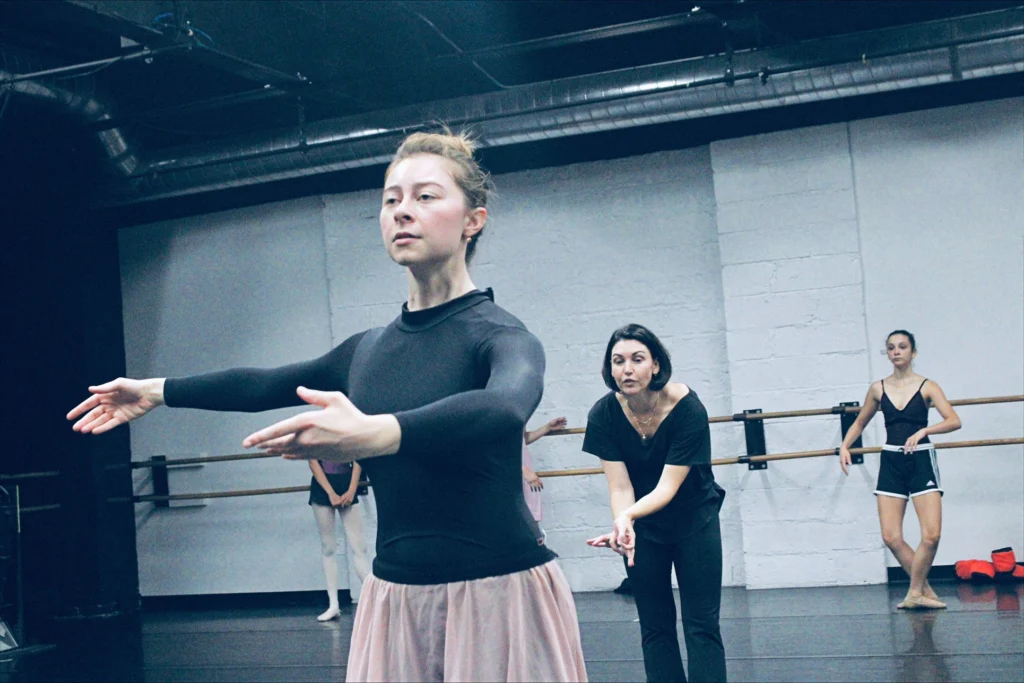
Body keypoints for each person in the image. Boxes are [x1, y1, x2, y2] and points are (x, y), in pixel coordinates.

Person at [67, 129, 588, 682]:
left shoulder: (502, 336)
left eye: (426, 196)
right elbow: (264, 384)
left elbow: (504, 407)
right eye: (391, 199)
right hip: (394, 602)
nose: (402, 212)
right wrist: (157, 390)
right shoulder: (367, 349)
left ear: (472, 221)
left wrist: (378, 434)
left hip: (498, 597)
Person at [583, 324, 727, 683]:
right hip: (645, 526)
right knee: (655, 626)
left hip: (695, 519)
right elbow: (619, 486)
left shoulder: (688, 409)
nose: (626, 369)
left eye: (637, 359)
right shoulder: (602, 415)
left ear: (656, 366)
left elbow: (667, 487)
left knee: (701, 625)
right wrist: (624, 525)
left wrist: (628, 517)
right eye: (618, 361)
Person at [839, 329, 961, 610]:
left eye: (902, 347)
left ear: (913, 352)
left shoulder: (928, 386)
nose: (896, 352)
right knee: (891, 536)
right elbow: (859, 423)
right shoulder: (877, 388)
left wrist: (924, 431)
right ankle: (921, 589)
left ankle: (915, 591)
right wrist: (845, 447)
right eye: (891, 347)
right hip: (892, 461)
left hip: (921, 459)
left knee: (931, 535)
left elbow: (954, 420)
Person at [308, 458, 370, 622]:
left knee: (359, 547)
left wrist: (351, 489)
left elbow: (358, 458)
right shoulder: (315, 433)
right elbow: (313, 462)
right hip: (323, 486)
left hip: (347, 481)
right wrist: (331, 493)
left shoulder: (348, 432)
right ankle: (333, 604)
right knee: (328, 547)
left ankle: (373, 601)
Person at [522, 416, 566, 543]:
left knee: (532, 528)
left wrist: (547, 428)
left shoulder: (517, 408)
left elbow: (520, 440)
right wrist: (522, 470)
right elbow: (493, 445)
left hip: (527, 476)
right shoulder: (497, 410)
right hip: (512, 474)